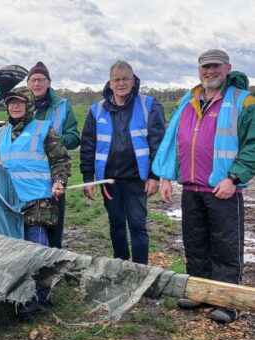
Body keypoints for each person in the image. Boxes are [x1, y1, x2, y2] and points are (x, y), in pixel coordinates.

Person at [153, 49, 255, 323]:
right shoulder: (188, 100)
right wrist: (165, 177)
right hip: (191, 188)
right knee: (195, 243)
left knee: (225, 246)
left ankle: (227, 302)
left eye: (215, 66)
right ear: (199, 71)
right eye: (205, 67)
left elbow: (252, 146)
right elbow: (175, 139)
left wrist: (233, 178)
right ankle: (200, 293)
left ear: (227, 68)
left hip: (222, 189)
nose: (210, 71)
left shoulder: (244, 101)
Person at [0, 86, 70, 316]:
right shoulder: (0, 133)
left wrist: (59, 181)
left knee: (37, 246)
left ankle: (41, 295)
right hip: (9, 201)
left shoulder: (43, 129)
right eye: (11, 102)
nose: (15, 106)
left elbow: (60, 159)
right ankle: (19, 293)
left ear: (29, 105)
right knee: (15, 247)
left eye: (20, 102)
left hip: (37, 198)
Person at [80, 60, 165, 265]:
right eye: (116, 79)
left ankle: (140, 270)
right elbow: (88, 145)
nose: (121, 83)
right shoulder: (97, 110)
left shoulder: (149, 105)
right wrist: (88, 178)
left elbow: (157, 144)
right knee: (116, 224)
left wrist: (154, 176)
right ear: (110, 83)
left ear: (133, 80)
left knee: (137, 226)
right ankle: (121, 265)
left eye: (126, 78)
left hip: (137, 180)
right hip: (109, 181)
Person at [28, 61, 80, 248]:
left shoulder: (63, 106)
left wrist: (51, 141)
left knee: (53, 226)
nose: (37, 84)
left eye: (41, 79)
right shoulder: (22, 106)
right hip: (28, 176)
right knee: (31, 226)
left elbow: (74, 138)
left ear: (49, 82)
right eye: (33, 80)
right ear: (28, 84)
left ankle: (55, 264)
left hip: (54, 174)